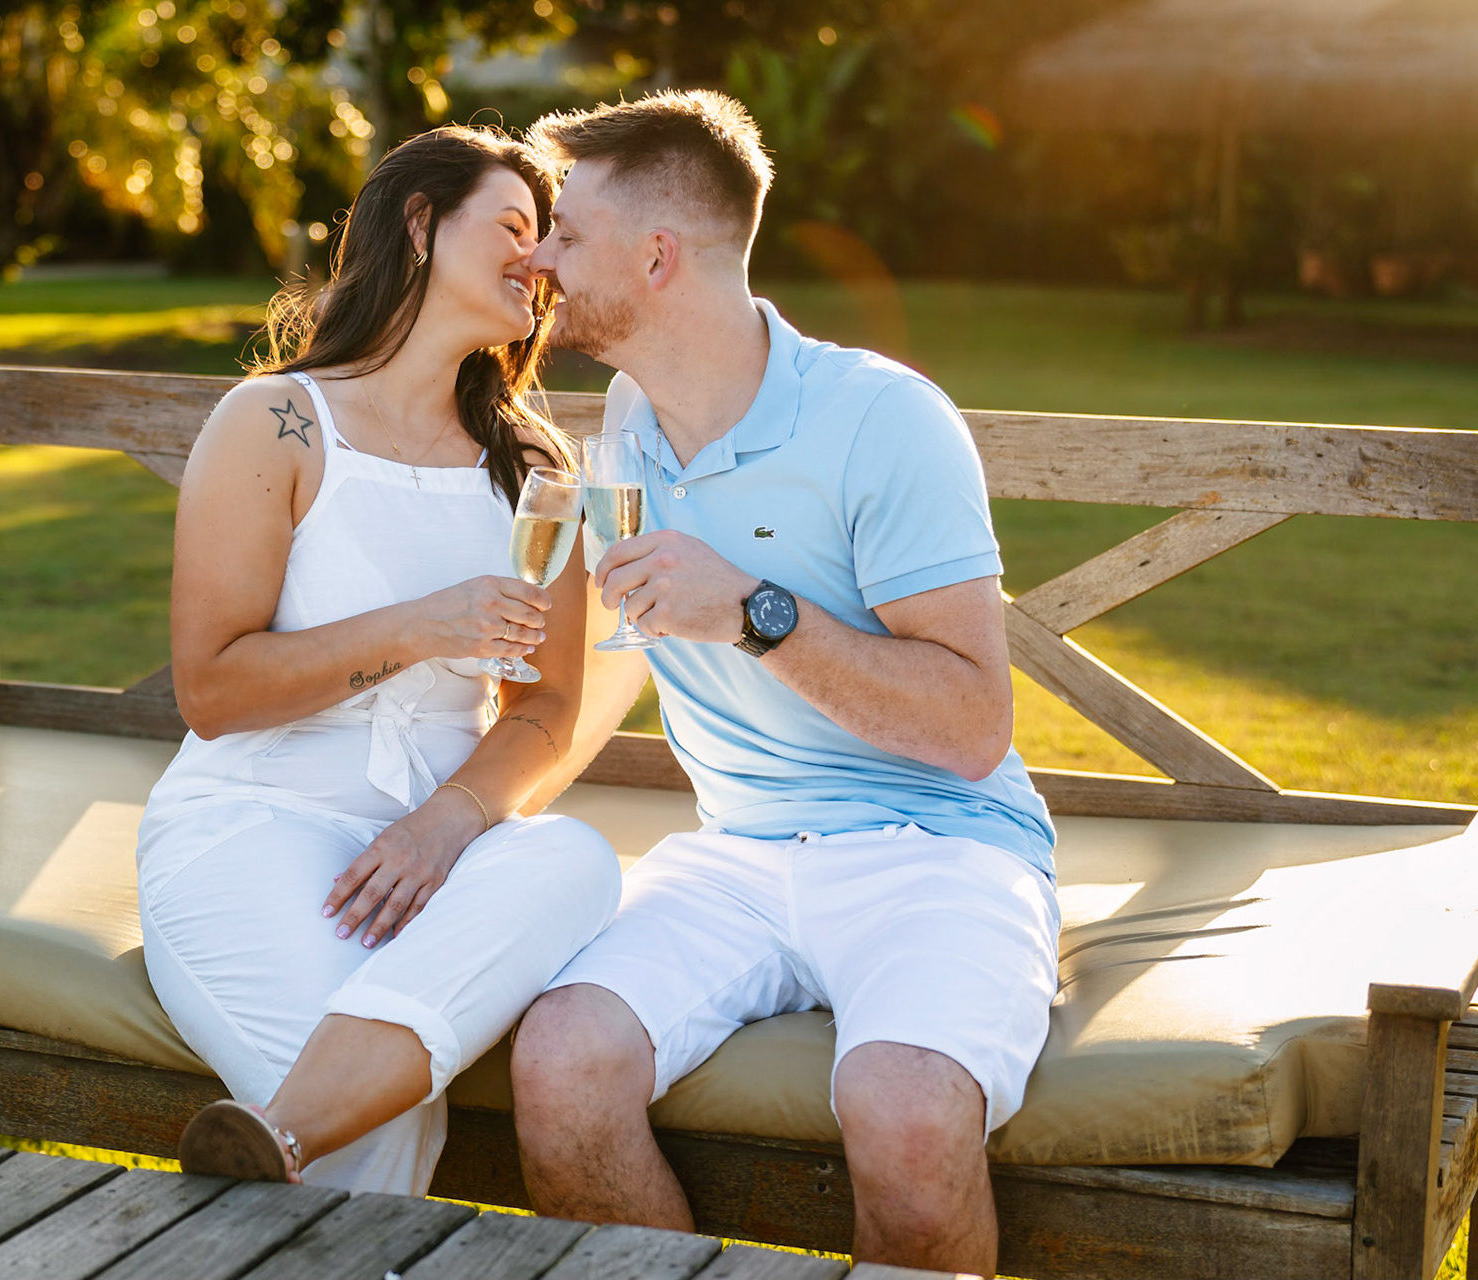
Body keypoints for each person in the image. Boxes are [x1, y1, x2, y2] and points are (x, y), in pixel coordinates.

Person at [509, 91, 1060, 1277]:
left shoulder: (886, 419)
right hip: (737, 853)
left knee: (906, 1114)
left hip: (939, 845)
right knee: (559, 1065)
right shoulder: (629, 415)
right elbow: (609, 644)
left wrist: (758, 614)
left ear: (657, 257)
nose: (540, 257)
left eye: (567, 232)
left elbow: (973, 726)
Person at [137, 125, 621, 1197]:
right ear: (419, 224)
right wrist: (419, 627)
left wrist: (445, 826)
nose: (538, 260)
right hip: (255, 826)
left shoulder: (534, 464)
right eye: (513, 226)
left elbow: (547, 708)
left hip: (443, 849)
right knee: (383, 1126)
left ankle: (278, 1136)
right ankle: (302, 1137)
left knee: (577, 859)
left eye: (546, 241)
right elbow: (212, 690)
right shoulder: (276, 422)